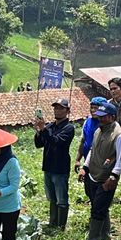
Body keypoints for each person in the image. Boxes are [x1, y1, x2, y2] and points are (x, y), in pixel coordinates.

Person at [78, 103, 121, 240]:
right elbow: (93, 150)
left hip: (106, 178)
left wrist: (113, 177)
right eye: (100, 116)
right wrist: (85, 167)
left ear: (112, 117)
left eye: (103, 117)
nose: (100, 119)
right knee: (98, 205)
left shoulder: (119, 135)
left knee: (98, 210)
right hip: (93, 174)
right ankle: (105, 235)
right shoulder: (99, 130)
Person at [33, 99, 75, 231]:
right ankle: (53, 222)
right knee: (52, 197)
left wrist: (44, 129)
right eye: (55, 108)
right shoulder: (50, 126)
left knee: (61, 198)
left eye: (61, 108)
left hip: (60, 168)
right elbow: (39, 144)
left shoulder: (69, 128)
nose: (57, 110)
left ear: (67, 111)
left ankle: (61, 226)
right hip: (48, 167)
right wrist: (39, 131)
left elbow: (57, 141)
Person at [74, 97, 105, 174]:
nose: (93, 110)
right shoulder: (87, 122)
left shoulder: (105, 124)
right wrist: (78, 160)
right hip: (87, 162)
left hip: (102, 165)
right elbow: (83, 141)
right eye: (91, 108)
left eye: (96, 108)